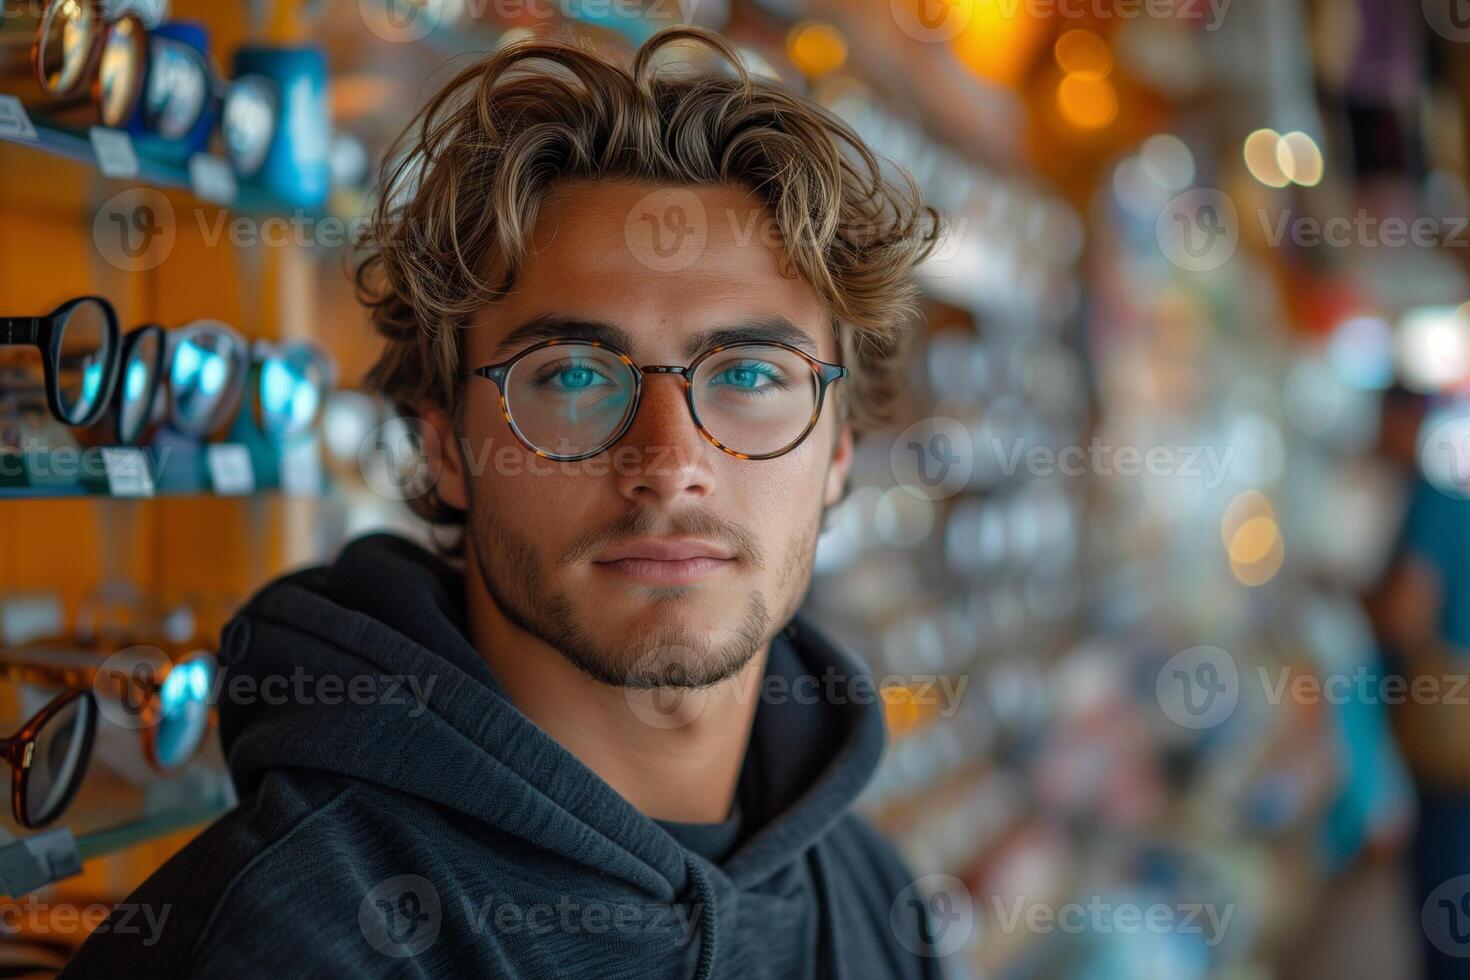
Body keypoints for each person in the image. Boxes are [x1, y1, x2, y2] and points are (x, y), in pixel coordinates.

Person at [59, 25, 950, 980]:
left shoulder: (873, 899)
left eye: (748, 372)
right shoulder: (280, 943)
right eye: (570, 376)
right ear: (443, 446)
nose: (669, 461)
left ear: (839, 455)